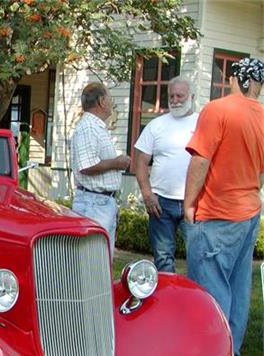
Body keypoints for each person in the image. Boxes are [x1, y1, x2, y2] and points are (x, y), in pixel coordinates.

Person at [184, 57, 264, 356]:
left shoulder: (218, 110)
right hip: (249, 212)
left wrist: (189, 203)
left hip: (217, 213)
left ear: (235, 78)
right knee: (238, 285)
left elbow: (200, 160)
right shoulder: (262, 117)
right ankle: (230, 354)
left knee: (210, 286)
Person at [134, 76, 198, 272]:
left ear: (192, 96)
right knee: (163, 258)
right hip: (161, 203)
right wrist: (147, 194)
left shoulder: (204, 122)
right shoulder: (157, 125)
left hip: (195, 201)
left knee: (199, 256)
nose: (175, 100)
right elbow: (141, 162)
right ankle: (167, 298)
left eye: (180, 95)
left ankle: (197, 301)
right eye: (171, 96)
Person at [70, 82, 131, 255]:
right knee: (94, 259)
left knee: (102, 259)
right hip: (94, 204)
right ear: (102, 101)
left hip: (100, 203)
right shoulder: (88, 127)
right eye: (110, 98)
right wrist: (116, 163)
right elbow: (86, 166)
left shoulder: (95, 127)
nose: (113, 103)